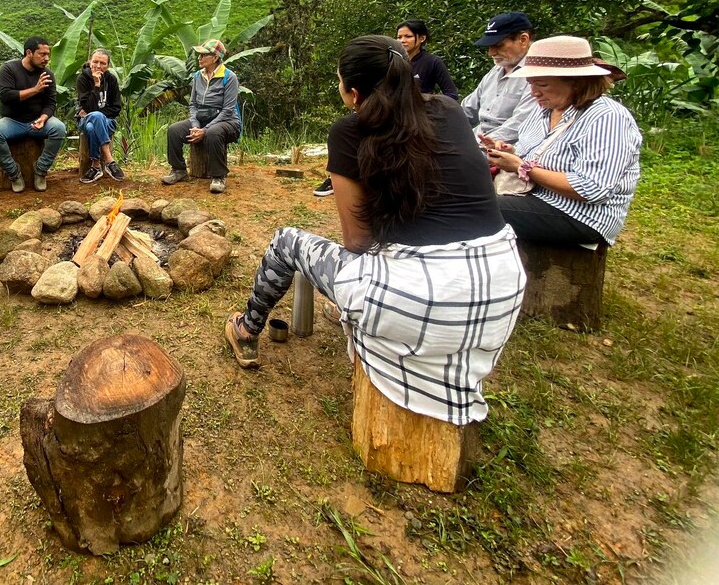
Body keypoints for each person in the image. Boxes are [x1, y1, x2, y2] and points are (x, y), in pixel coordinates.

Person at [225, 35, 525, 428]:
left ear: (352, 92)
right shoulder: (450, 111)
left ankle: (246, 329)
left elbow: (359, 241)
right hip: (500, 290)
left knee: (286, 240)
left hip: (418, 305)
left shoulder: (350, 132)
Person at [486, 35, 641, 247]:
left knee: (474, 207)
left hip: (581, 215)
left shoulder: (607, 117)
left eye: (542, 84)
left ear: (576, 83)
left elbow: (592, 189)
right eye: (530, 84)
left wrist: (522, 167)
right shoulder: (544, 110)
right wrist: (509, 153)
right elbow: (528, 153)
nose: (534, 92)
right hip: (534, 197)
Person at [0, 36, 66, 193]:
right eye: (42, 54)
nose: (46, 58)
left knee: (59, 128)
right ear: (29, 53)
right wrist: (35, 90)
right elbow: (6, 96)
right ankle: (14, 173)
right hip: (12, 121)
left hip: (38, 121)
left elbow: (51, 103)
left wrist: (43, 119)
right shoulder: (8, 69)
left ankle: (41, 169)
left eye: (48, 54)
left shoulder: (47, 74)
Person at [162, 39, 241, 194]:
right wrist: (196, 125)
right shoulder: (198, 76)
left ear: (215, 57)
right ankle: (178, 170)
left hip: (227, 121)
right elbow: (193, 105)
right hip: (202, 119)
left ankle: (218, 176)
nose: (199, 58)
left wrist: (204, 130)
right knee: (174, 130)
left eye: (203, 55)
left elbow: (228, 110)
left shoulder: (229, 77)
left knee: (213, 132)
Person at [462, 12, 538, 146]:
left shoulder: (536, 75)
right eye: (489, 46)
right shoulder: (496, 69)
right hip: (476, 141)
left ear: (523, 40)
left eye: (498, 45)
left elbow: (519, 124)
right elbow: (467, 109)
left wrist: (475, 146)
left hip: (505, 149)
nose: (491, 53)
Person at [76, 49, 124, 183]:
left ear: (108, 66)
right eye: (95, 62)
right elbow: (89, 107)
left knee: (93, 125)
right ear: (90, 62)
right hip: (84, 121)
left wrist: (97, 115)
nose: (98, 66)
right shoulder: (83, 79)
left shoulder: (111, 80)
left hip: (107, 121)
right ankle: (110, 161)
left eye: (102, 63)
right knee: (93, 119)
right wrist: (96, 85)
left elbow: (116, 108)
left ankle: (96, 166)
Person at [397, 19, 458, 100]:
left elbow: (451, 94)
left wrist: (429, 103)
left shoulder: (432, 62)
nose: (402, 41)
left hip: (422, 110)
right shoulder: (392, 60)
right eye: (399, 37)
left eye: (408, 36)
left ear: (422, 38)